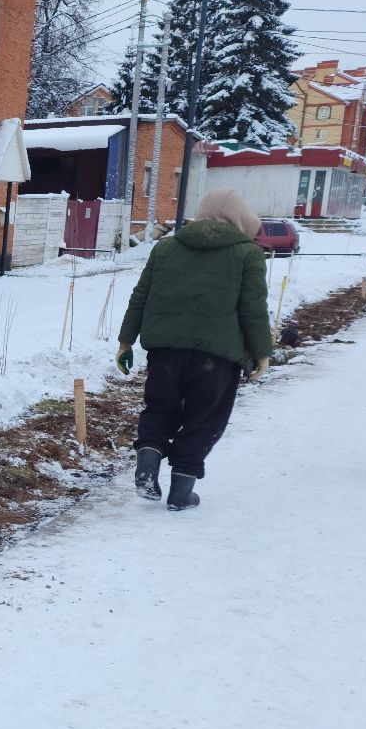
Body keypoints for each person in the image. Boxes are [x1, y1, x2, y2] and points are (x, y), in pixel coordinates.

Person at [116, 189, 273, 511]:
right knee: (205, 418)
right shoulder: (247, 254)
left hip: (165, 352)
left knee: (160, 408)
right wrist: (262, 352)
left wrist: (125, 342)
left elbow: (140, 297)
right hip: (217, 356)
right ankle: (181, 490)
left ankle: (147, 461)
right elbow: (253, 309)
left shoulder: (167, 248)